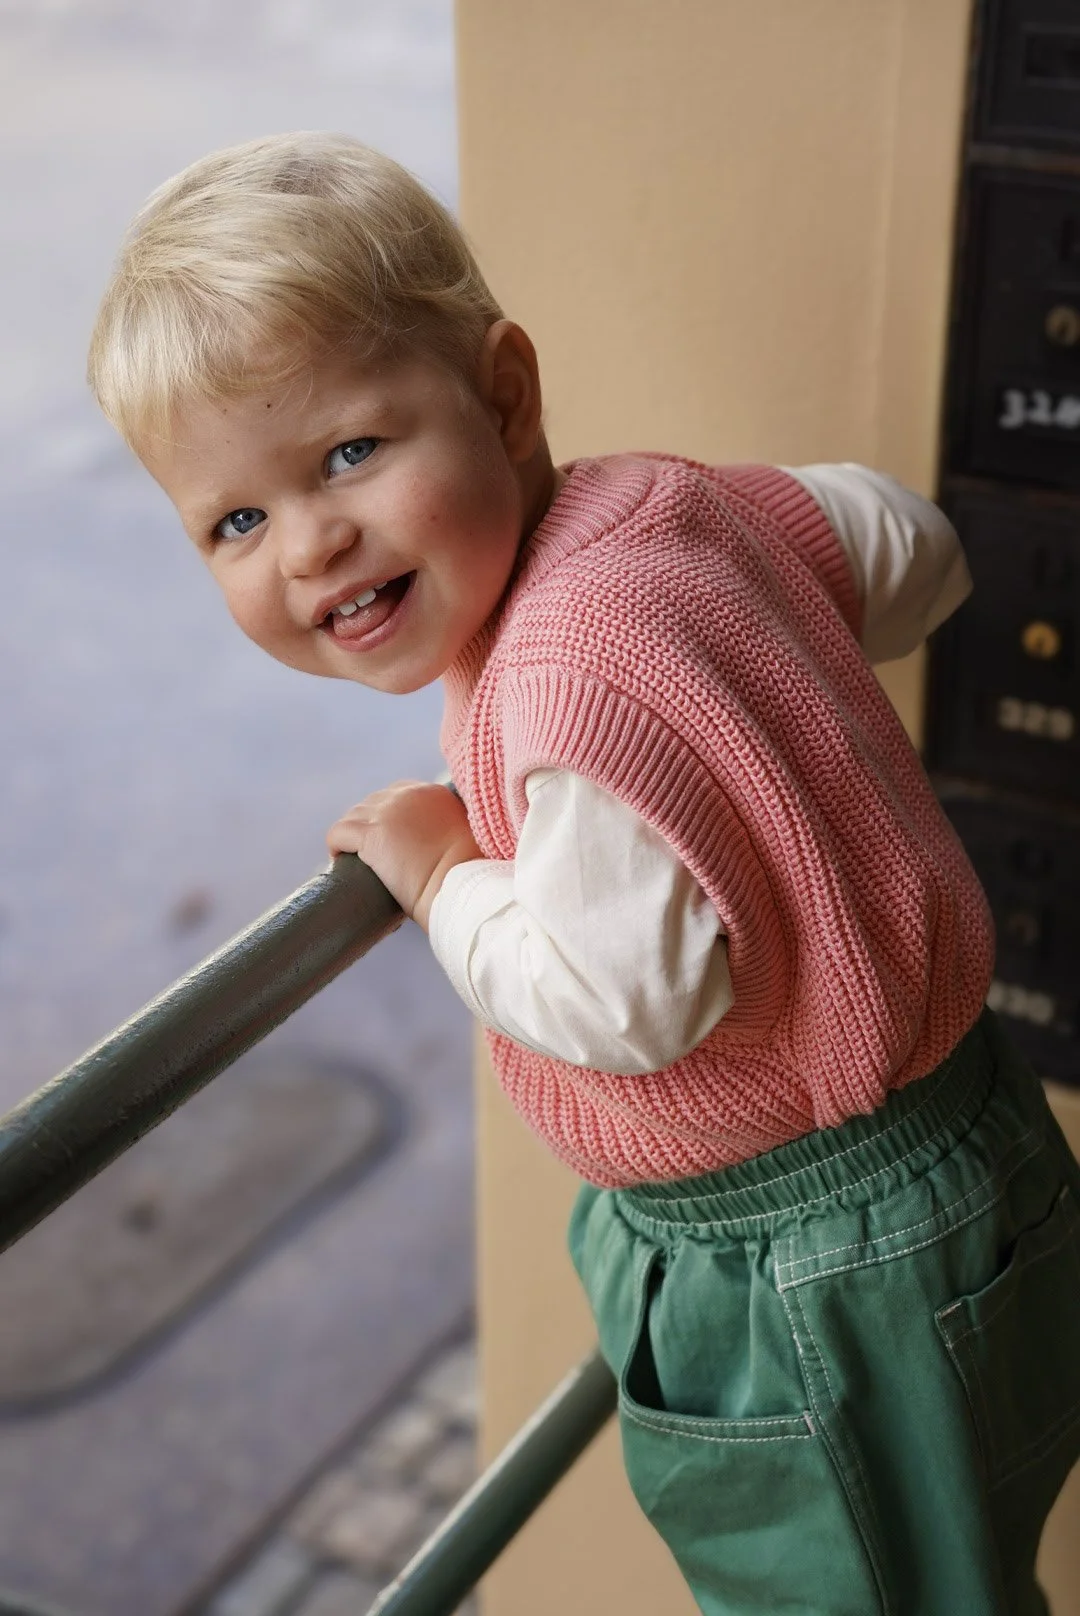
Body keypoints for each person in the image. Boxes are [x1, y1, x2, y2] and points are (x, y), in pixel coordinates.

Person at [88, 131, 1080, 1616]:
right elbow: (914, 548)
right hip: (963, 1148)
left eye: (350, 452)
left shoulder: (562, 693)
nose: (311, 542)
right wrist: (770, 637)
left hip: (811, 1272)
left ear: (504, 393)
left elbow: (627, 1001)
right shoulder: (688, 513)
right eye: (236, 520)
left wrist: (443, 879)